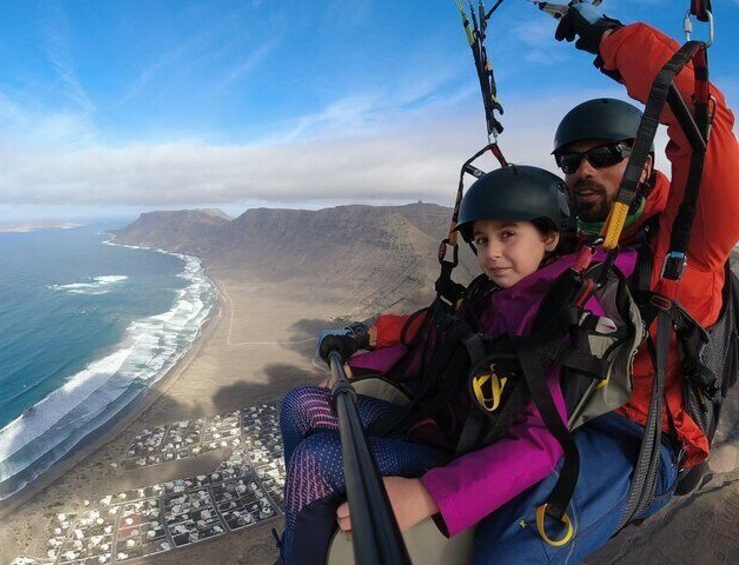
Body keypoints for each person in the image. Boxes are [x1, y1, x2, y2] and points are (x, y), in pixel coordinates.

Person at [468, 4, 739, 562]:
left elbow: (701, 116)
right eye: (570, 162)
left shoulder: (688, 238)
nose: (583, 171)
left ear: (641, 160)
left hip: (637, 437)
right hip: (558, 410)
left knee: (510, 553)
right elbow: (496, 307)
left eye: (605, 155)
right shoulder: (575, 246)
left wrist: (611, 39)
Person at [277, 165, 638, 563]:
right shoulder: (491, 295)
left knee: (315, 459)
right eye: (482, 240)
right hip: (431, 428)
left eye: (507, 235)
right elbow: (434, 352)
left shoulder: (562, 317)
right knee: (300, 404)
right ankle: (313, 525)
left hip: (458, 461)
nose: (492, 253)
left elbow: (539, 444)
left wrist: (427, 495)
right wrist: (359, 368)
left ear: (550, 236)